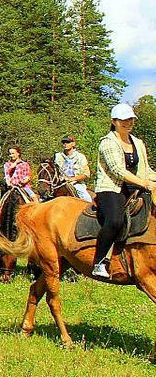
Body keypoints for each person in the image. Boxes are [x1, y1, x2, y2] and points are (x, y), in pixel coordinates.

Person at [90, 103, 156, 280]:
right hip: (111, 188)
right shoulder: (107, 142)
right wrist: (144, 183)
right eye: (123, 120)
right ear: (114, 121)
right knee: (114, 220)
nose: (128, 123)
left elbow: (146, 170)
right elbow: (117, 170)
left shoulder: (138, 143)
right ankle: (99, 262)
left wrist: (151, 179)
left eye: (131, 119)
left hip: (135, 186)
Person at [0, 146, 37, 231]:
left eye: (13, 153)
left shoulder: (25, 164)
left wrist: (25, 180)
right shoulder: (7, 165)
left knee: (34, 197)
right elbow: (7, 175)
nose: (11, 155)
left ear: (18, 153)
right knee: (2, 203)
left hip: (24, 186)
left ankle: (38, 217)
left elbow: (28, 175)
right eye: (10, 154)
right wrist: (13, 166)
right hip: (12, 187)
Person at [54, 135, 93, 202]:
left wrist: (72, 179)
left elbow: (86, 174)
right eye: (63, 142)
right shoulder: (57, 156)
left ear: (73, 144)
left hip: (76, 183)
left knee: (87, 199)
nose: (65, 144)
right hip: (59, 183)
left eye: (68, 142)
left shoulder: (80, 157)